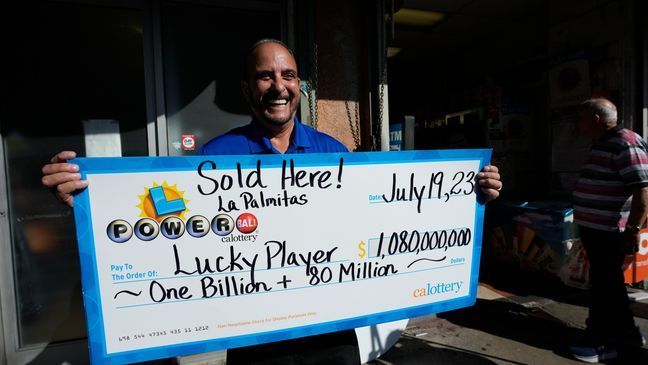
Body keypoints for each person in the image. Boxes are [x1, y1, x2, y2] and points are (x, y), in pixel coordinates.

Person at [41, 39, 503, 364]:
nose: (277, 86)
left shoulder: (335, 155)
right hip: (254, 337)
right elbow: (171, 231)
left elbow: (397, 217)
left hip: (333, 333)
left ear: (299, 85)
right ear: (247, 89)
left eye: (288, 75)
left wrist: (470, 193)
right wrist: (92, 206)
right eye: (265, 76)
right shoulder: (215, 158)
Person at [570, 97, 647, 363]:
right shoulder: (603, 142)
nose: (577, 124)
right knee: (609, 286)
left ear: (595, 119)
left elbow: (643, 190)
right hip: (596, 230)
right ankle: (629, 335)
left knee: (605, 289)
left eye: (580, 118)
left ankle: (602, 343)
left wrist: (634, 230)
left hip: (610, 232)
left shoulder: (626, 142)